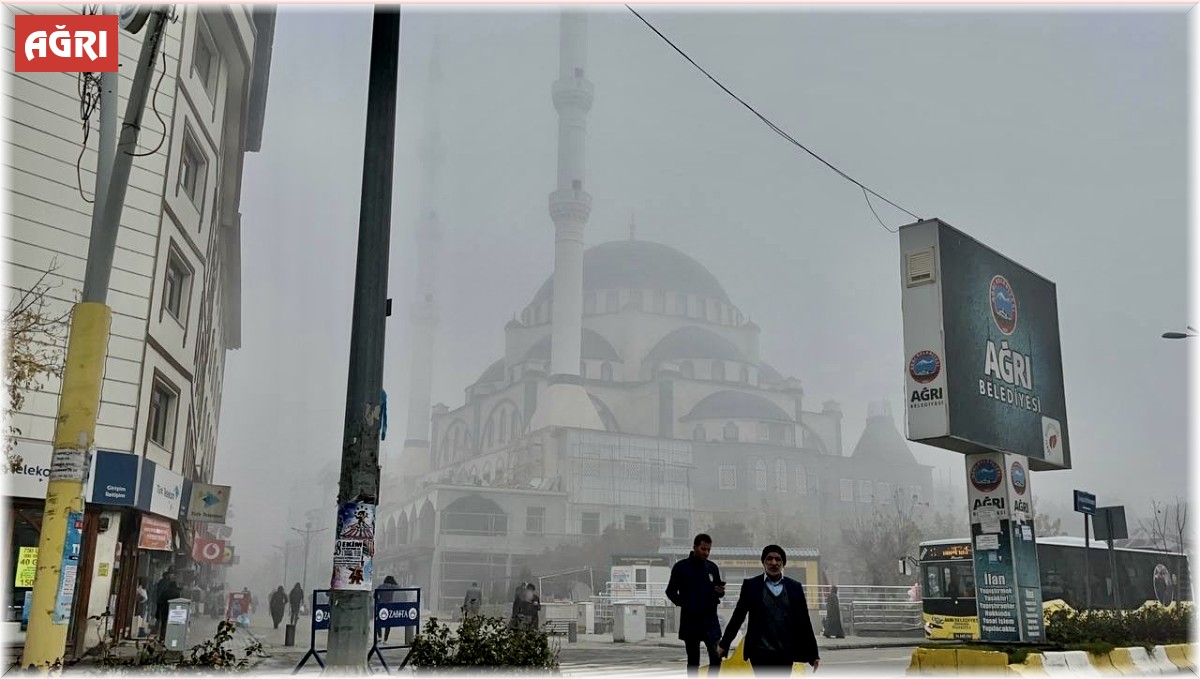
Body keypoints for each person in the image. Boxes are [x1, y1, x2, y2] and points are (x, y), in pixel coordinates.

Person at [719, 545, 820, 675]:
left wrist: (813, 654)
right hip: (759, 652)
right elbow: (738, 617)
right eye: (769, 559)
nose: (774, 563)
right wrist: (724, 644)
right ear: (763, 562)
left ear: (783, 563)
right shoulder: (752, 586)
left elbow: (804, 622)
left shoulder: (794, 587)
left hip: (785, 652)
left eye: (778, 559)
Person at [665, 533, 725, 675]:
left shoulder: (712, 568)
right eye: (703, 549)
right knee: (693, 661)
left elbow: (718, 592)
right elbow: (670, 592)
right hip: (690, 621)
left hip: (710, 620)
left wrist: (719, 592)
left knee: (716, 658)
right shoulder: (681, 567)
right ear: (695, 547)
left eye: (709, 550)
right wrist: (686, 604)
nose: (706, 553)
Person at [153, 570, 181, 642]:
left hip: (165, 611)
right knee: (172, 626)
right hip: (175, 612)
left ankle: (162, 639)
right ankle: (171, 639)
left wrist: (157, 612)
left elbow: (160, 602)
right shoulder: (177, 593)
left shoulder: (165, 592)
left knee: (164, 625)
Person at [376, 575, 400, 642]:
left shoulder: (380, 586)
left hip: (381, 605)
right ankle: (385, 639)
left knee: (378, 621)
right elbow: (399, 587)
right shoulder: (392, 587)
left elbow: (374, 596)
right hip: (389, 606)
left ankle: (380, 636)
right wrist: (395, 582)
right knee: (388, 623)